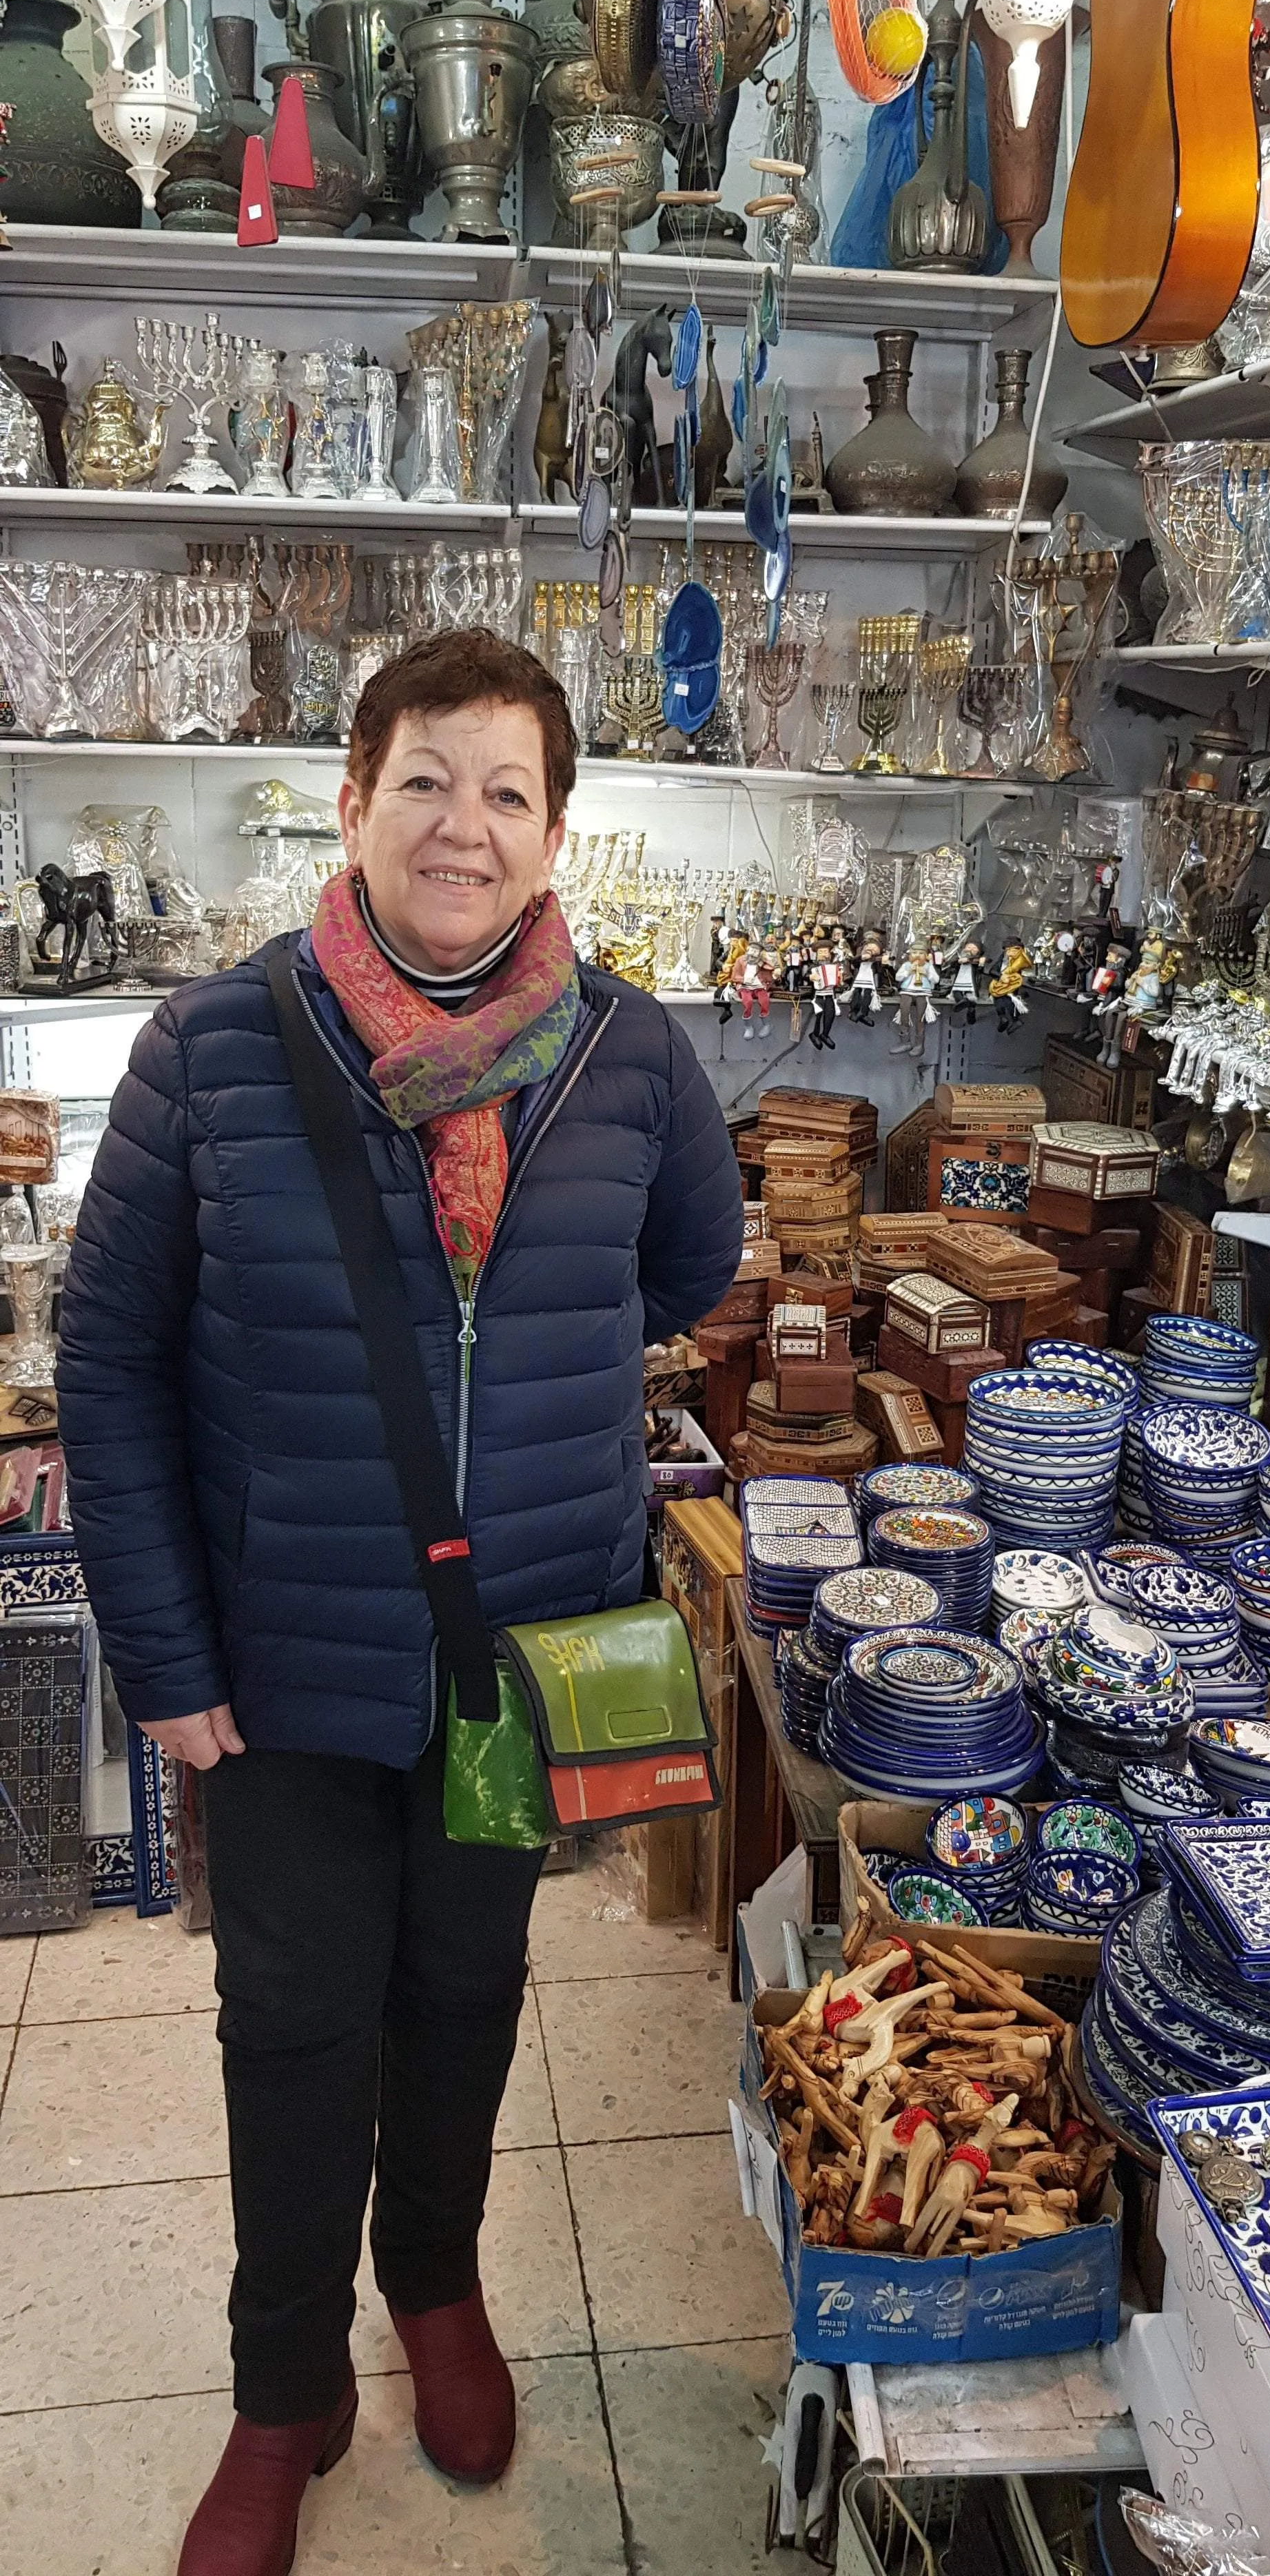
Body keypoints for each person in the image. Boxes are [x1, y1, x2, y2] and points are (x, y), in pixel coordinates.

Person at [57, 627, 745, 2576]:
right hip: (277, 1671)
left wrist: (522, 1376)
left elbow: (687, 1270)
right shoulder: (214, 1047)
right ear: (353, 802)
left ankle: (434, 2289)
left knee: (466, 1986)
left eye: (508, 790)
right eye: (426, 777)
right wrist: (167, 1661)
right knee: (288, 2023)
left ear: (554, 836)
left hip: (522, 1663)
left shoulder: (632, 1057)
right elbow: (109, 1365)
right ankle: (285, 2388)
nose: (465, 823)